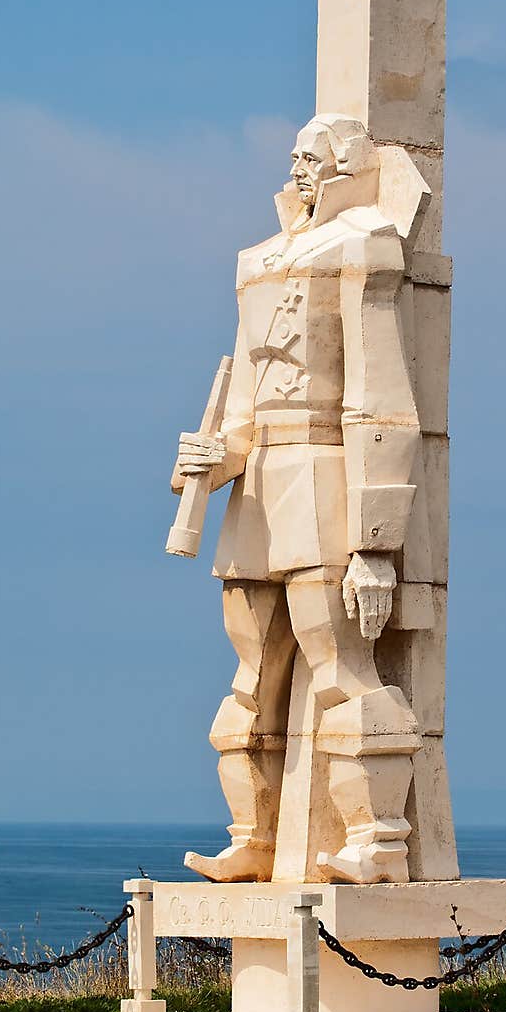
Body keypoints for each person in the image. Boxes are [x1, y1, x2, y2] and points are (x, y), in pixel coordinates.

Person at [170, 114, 422, 883]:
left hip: (322, 477)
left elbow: (382, 399)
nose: (300, 169)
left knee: (345, 667)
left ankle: (378, 838)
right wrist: (215, 461)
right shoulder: (257, 262)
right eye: (296, 157)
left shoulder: (364, 243)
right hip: (257, 493)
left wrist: (375, 545)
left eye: (314, 157)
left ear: (349, 165)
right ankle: (253, 832)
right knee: (250, 680)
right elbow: (245, 402)